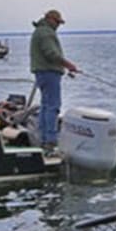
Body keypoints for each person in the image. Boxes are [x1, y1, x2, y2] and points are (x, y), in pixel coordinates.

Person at [29, 9, 78, 154]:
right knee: (53, 106)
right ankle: (50, 141)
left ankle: (43, 138)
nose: (58, 25)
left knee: (45, 106)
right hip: (49, 73)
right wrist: (69, 65)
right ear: (50, 19)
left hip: (41, 73)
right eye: (57, 22)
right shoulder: (46, 33)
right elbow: (51, 54)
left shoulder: (39, 31)